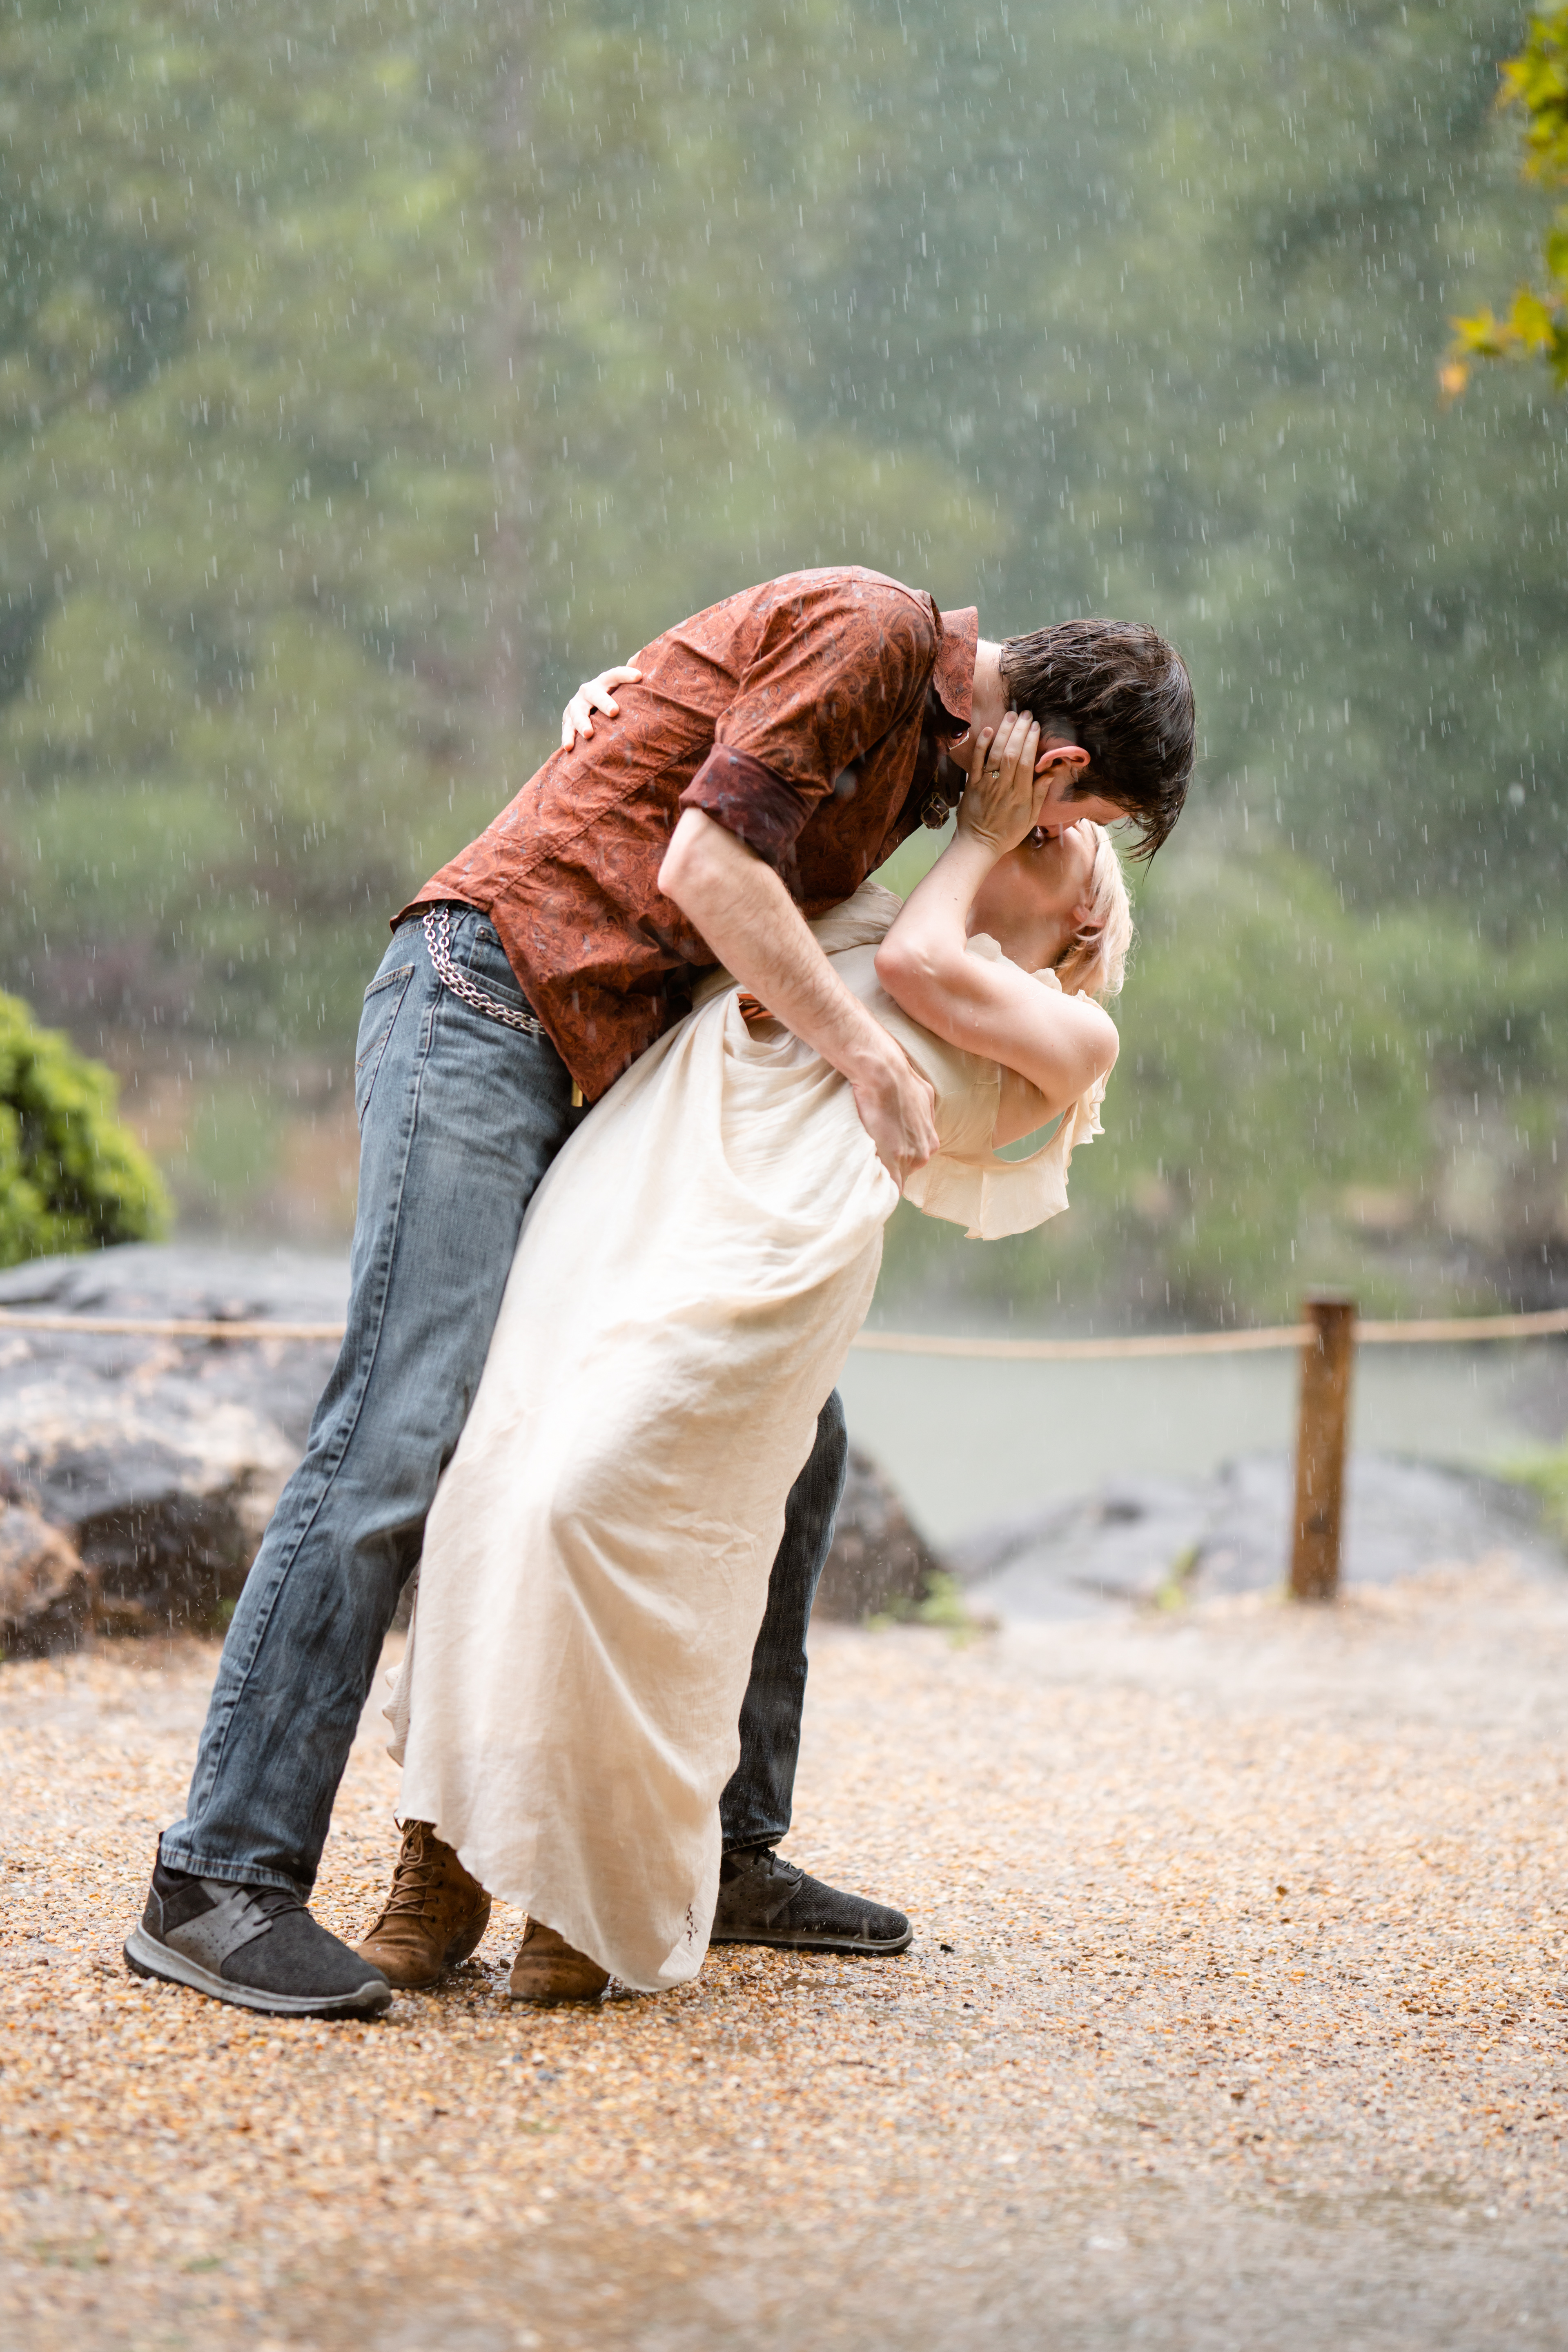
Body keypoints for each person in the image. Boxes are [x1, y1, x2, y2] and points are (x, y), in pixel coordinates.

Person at [124, 565, 1193, 2018]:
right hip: (493, 1004)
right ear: (1058, 762)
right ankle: (222, 1878)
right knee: (412, 1423)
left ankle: (724, 1844)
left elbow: (713, 771)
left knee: (793, 1447)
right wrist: (868, 1056)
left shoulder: (924, 793)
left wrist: (606, 708)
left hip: (606, 1067)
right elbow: (706, 871)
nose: (1065, 849)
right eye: (1082, 820)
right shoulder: (878, 635)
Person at [359, 717, 1129, 2000]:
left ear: (1087, 920)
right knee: (494, 1484)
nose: (1027, 826)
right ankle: (441, 1861)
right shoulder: (860, 914)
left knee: (608, 1508)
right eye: (1034, 819)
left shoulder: (1062, 1025)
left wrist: (984, 840)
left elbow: (933, 971)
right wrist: (608, 707)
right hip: (639, 1187)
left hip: (770, 1249)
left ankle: (584, 1880)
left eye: (1063, 843)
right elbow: (702, 846)